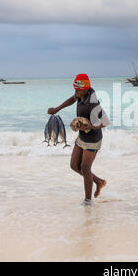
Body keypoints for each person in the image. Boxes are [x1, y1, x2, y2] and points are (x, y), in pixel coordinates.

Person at [47, 73, 110, 205]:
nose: (75, 92)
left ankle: (88, 201)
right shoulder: (81, 95)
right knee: (74, 165)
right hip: (82, 137)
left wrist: (89, 126)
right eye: (75, 89)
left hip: (93, 140)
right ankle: (98, 181)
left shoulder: (93, 104)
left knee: (85, 168)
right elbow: (72, 99)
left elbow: (105, 121)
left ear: (86, 89)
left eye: (78, 90)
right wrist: (57, 109)